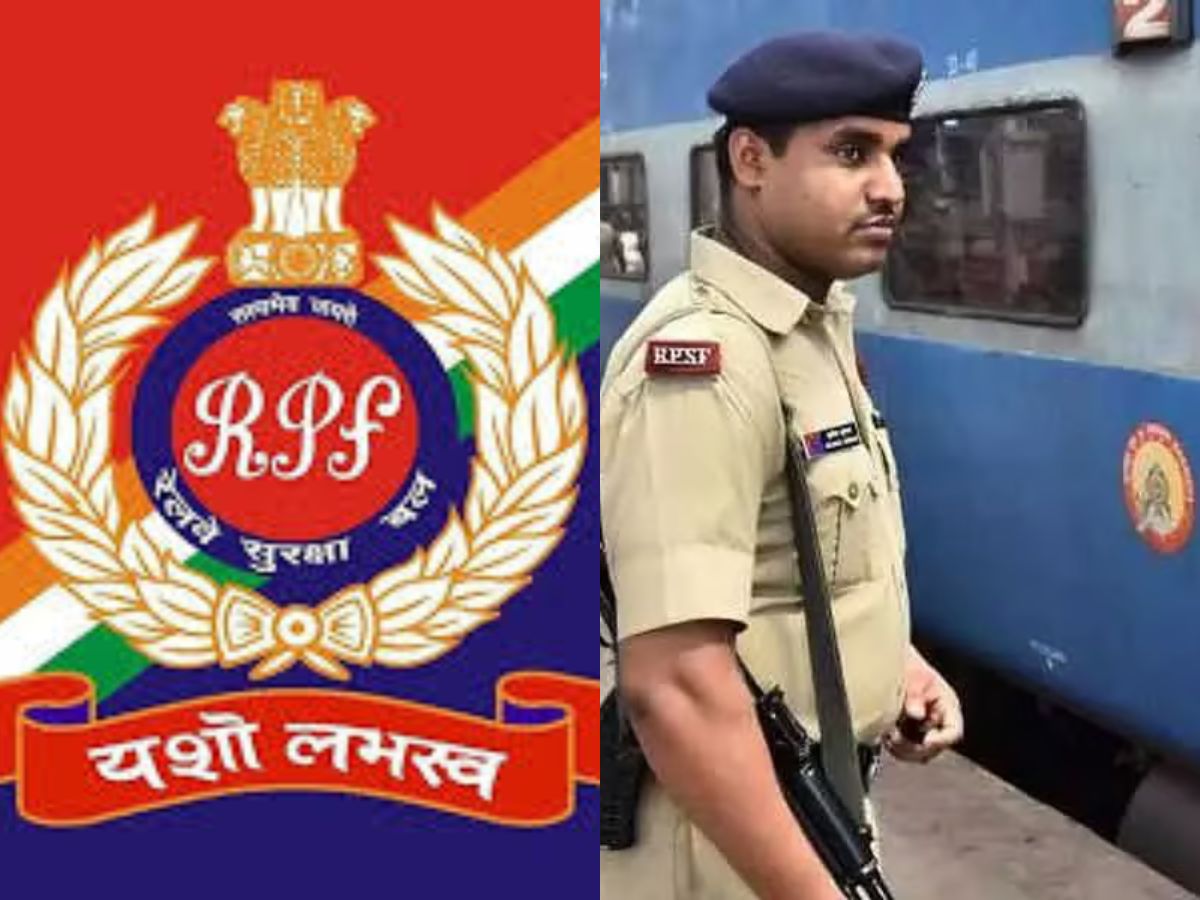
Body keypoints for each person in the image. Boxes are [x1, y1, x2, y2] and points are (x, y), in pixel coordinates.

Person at [600, 31, 965, 900]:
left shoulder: (809, 330)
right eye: (851, 152)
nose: (890, 186)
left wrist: (895, 663)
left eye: (896, 155)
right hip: (721, 850)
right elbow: (675, 686)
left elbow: (798, 571)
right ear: (751, 160)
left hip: (812, 808)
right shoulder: (705, 361)